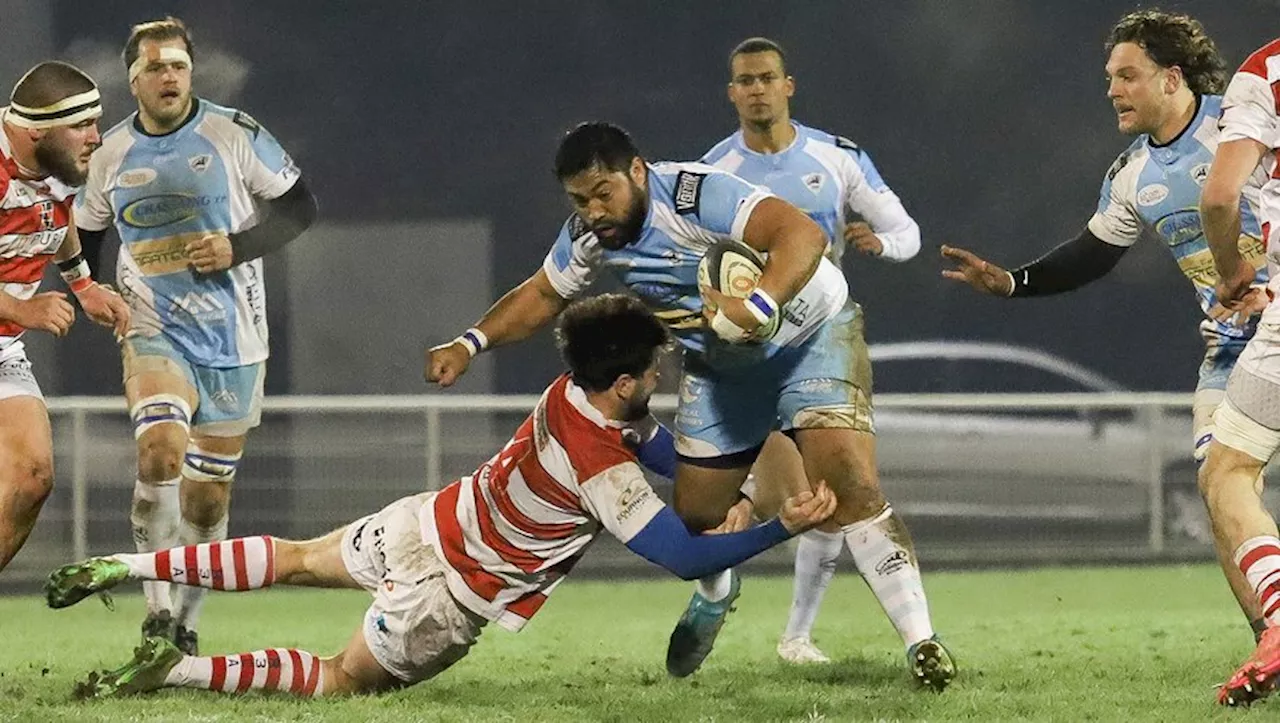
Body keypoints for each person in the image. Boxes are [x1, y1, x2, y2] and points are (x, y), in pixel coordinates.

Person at [45, 293, 836, 699]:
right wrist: (779, 528)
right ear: (625, 382)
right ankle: (175, 676)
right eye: (651, 372)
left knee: (293, 558)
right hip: (453, 596)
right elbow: (679, 553)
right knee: (338, 678)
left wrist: (718, 476)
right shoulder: (606, 468)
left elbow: (662, 450)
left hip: (428, 521)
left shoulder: (570, 392)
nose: (656, 381)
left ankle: (119, 565)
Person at [426, 121, 954, 688]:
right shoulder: (585, 236)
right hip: (723, 369)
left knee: (848, 483)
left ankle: (922, 644)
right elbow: (541, 294)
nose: (595, 210)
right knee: (700, 514)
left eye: (604, 193)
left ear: (637, 171)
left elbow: (801, 234)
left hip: (812, 337)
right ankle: (718, 590)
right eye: (580, 200)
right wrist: (469, 342)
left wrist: (758, 301)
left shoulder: (697, 193)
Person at [939, 10, 1272, 640]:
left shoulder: (1241, 121)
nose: (1112, 90)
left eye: (1127, 76)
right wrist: (1012, 282)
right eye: (1109, 78)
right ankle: (1269, 639)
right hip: (1229, 350)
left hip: (1278, 325)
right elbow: (1093, 252)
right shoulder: (1132, 176)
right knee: (1216, 483)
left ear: (1172, 78)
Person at [74, 17, 318, 654]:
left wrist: (235, 247)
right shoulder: (107, 154)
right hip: (152, 326)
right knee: (159, 448)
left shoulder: (233, 132)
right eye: (155, 67)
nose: (169, 76)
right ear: (134, 80)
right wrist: (90, 290)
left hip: (234, 339)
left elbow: (300, 208)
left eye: (178, 66)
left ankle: (186, 622)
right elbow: (89, 233)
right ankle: (155, 613)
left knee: (206, 503)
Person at [700, 36, 925, 665]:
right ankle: (716, 583)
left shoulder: (836, 157)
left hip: (825, 339)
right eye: (744, 80)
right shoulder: (714, 172)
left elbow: (906, 231)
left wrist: (882, 246)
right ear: (732, 93)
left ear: (788, 85)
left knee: (834, 491)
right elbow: (700, 263)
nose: (756, 89)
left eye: (766, 77)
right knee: (771, 494)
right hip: (753, 352)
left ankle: (795, 636)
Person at [0, 60, 130, 573]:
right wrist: (22, 307)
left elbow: (59, 215)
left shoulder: (59, 164)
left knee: (32, 477)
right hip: (11, 317)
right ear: (34, 130)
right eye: (81, 125)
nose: (95, 137)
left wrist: (83, 286)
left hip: (2, 341)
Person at [1196, 35, 1280, 707]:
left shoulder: (1266, 69)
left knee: (1228, 471)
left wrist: (1232, 273)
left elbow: (1221, 197)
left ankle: (1279, 622)